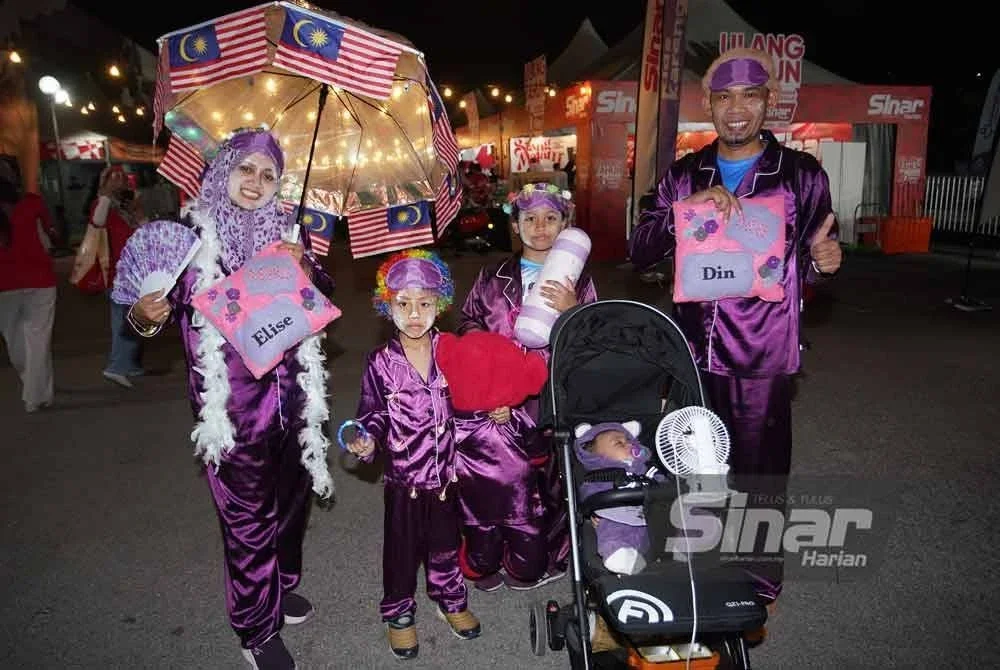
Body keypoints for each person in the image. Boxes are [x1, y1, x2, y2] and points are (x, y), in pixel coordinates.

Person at [627, 47, 843, 611]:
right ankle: (694, 568)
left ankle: (756, 580)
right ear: (709, 105)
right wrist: (686, 212)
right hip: (692, 352)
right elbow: (639, 250)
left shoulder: (801, 175)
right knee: (689, 465)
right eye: (724, 97)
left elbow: (810, 263)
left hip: (761, 354)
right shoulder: (683, 174)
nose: (737, 109)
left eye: (750, 95)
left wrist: (823, 262)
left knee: (757, 471)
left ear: (768, 101)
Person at [129, 129, 335, 670]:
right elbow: (149, 315)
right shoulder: (191, 242)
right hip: (233, 409)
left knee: (292, 502)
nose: (257, 182)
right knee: (249, 518)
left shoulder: (290, 236)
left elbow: (324, 298)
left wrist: (307, 267)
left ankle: (281, 584)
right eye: (247, 169)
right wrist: (142, 316)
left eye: (268, 174)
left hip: (292, 398)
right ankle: (255, 626)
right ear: (224, 171)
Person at [455, 182, 597, 591]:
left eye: (551, 218)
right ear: (515, 225)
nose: (540, 227)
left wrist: (574, 312)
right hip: (496, 400)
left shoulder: (578, 280)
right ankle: (489, 553)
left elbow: (594, 338)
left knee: (549, 481)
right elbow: (468, 325)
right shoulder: (492, 275)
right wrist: (492, 367)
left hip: (548, 398)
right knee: (495, 481)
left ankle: (546, 554)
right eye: (529, 219)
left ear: (565, 224)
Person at [349, 248, 481, 660]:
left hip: (448, 476)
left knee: (446, 543)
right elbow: (371, 412)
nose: (414, 313)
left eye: (424, 303)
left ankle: (449, 597)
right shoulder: (381, 363)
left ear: (440, 305)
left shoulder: (453, 353)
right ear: (386, 306)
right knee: (401, 551)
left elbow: (472, 401)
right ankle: (399, 611)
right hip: (405, 479)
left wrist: (494, 408)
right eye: (402, 304)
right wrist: (367, 437)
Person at [0, 155, 58, 412]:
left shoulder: (33, 203)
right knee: (29, 343)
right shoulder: (33, 203)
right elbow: (52, 233)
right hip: (30, 279)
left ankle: (33, 396)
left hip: (26, 281)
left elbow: (49, 232)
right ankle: (38, 390)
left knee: (25, 342)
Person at [574, 422, 655, 575]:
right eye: (619, 443)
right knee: (610, 530)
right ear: (597, 456)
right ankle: (621, 555)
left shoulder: (647, 470)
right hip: (617, 517)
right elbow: (589, 494)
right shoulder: (599, 476)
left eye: (629, 441)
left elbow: (662, 484)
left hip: (652, 515)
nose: (628, 445)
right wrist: (594, 511)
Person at [89, 165, 143, 387]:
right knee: (124, 320)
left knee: (135, 317)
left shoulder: (126, 207)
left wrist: (136, 206)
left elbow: (143, 227)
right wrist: (105, 197)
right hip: (115, 270)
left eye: (123, 178)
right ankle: (116, 367)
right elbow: (97, 223)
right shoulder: (102, 203)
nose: (119, 182)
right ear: (105, 181)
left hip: (134, 269)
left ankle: (128, 363)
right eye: (114, 178)